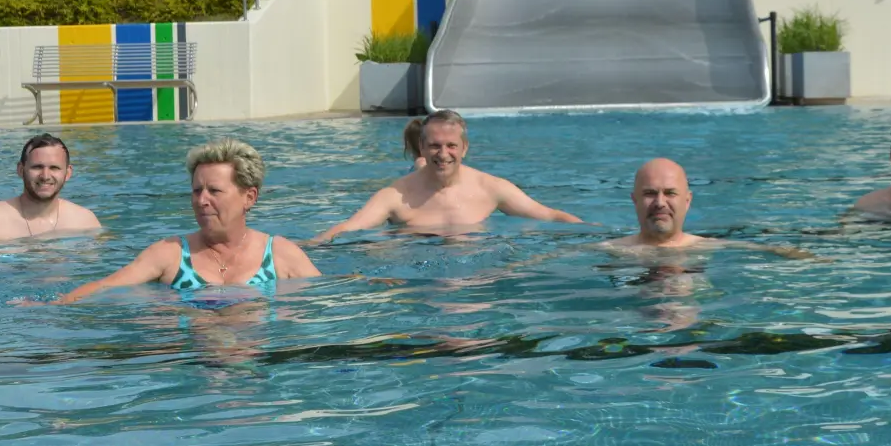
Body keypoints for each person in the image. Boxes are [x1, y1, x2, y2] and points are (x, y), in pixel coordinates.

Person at [51, 138, 319, 304]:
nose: (201, 200)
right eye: (196, 190)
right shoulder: (170, 253)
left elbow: (331, 297)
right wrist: (54, 306)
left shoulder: (281, 255)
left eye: (214, 191)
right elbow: (104, 288)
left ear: (249, 197)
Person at [312, 110, 582, 240]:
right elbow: (349, 227)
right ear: (422, 147)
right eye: (434, 146)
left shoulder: (490, 188)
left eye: (451, 146)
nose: (443, 153)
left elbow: (549, 216)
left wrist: (592, 234)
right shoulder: (395, 196)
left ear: (464, 147)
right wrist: (311, 244)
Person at [602, 158, 812, 258]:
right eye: (649, 193)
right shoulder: (611, 250)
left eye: (670, 193)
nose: (660, 203)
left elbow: (776, 251)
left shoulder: (709, 246)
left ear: (687, 200)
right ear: (634, 200)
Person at [0, 134, 102, 247]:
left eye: (54, 168)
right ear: (21, 170)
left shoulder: (85, 222)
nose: (45, 176)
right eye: (37, 167)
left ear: (68, 173)